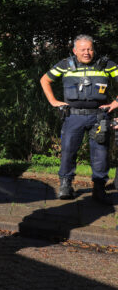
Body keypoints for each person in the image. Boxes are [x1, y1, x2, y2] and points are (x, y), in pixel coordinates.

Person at [40, 35, 118, 204]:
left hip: (99, 117)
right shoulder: (65, 65)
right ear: (75, 51)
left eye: (89, 49)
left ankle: (99, 188)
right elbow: (45, 80)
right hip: (73, 116)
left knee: (100, 154)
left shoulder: (106, 65)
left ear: (94, 49)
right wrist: (53, 101)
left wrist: (116, 102)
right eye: (82, 49)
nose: (87, 53)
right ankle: (66, 186)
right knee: (68, 151)